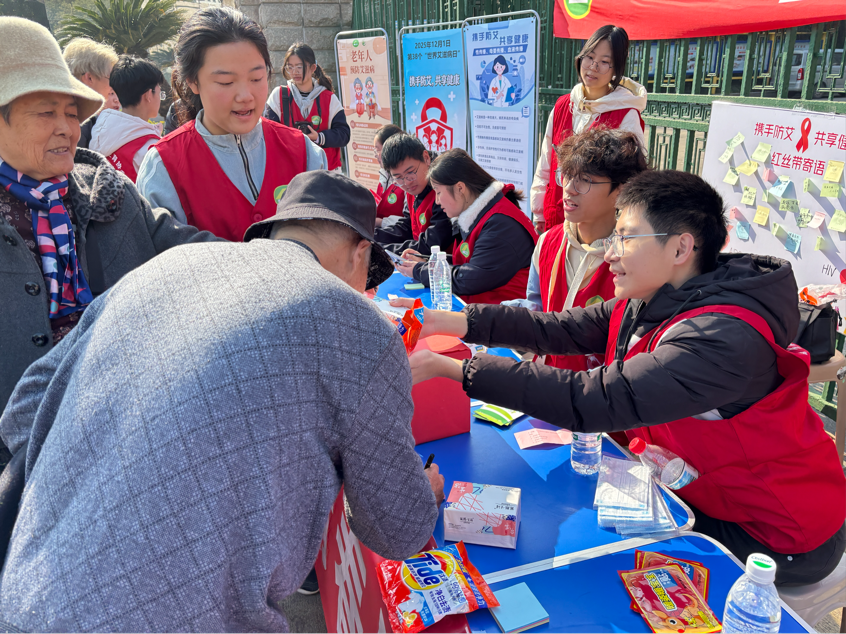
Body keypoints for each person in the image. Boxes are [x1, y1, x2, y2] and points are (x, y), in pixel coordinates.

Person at [0, 171, 445, 631]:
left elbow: (25, 406)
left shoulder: (165, 267)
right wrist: (421, 494)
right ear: (360, 252)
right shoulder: (356, 322)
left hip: (25, 595)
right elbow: (397, 530)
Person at [396, 169, 846, 586]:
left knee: (603, 570)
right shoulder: (653, 298)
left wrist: (452, 368)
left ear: (680, 249)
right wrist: (443, 321)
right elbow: (556, 328)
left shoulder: (719, 338)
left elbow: (591, 399)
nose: (609, 253)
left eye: (626, 238)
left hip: (777, 532)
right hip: (705, 492)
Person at [0, 17, 221, 445]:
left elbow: (187, 249)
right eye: (46, 112)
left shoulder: (108, 193)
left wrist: (281, 255)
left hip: (131, 430)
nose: (67, 128)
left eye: (71, 113)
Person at [137, 7, 326, 242]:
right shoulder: (163, 168)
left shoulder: (305, 153)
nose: (245, 96)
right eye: (226, 82)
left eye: (256, 78)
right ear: (193, 82)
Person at [503, 128, 648, 370]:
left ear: (621, 190)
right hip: (545, 378)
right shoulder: (548, 242)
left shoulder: (634, 257)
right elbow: (536, 308)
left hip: (599, 387)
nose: (569, 188)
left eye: (585, 180)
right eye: (567, 175)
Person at [531, 25, 646, 234]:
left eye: (605, 62)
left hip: (594, 228)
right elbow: (546, 161)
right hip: (556, 213)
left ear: (616, 69)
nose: (593, 67)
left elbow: (630, 180)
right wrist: (539, 210)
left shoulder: (625, 114)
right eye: (590, 57)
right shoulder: (563, 105)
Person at [395, 149, 537, 304]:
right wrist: (430, 262)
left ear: (460, 188)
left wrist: (420, 270)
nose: (437, 201)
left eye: (438, 192)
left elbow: (471, 279)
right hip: (483, 311)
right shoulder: (482, 215)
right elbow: (469, 262)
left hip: (505, 315)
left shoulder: (501, 225)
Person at [263, 42, 349, 172]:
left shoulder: (329, 98)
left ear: (313, 67)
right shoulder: (278, 96)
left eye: (299, 67)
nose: (294, 72)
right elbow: (267, 133)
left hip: (326, 173)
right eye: (290, 67)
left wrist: (319, 137)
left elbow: (344, 134)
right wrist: (293, 138)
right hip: (291, 171)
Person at [374, 133, 452, 256]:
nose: (407, 182)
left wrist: (380, 249)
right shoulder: (413, 188)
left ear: (426, 158)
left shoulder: (443, 190)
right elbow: (407, 227)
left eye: (410, 172)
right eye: (398, 178)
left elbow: (430, 245)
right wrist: (371, 236)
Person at [89, 55, 164, 181]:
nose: (160, 99)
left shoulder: (100, 128)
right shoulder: (150, 149)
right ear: (148, 95)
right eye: (160, 93)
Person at [62, 37, 120, 149]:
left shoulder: (71, 113)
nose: (113, 87)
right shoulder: (78, 121)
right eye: (111, 78)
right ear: (89, 78)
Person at [372, 123, 406, 226]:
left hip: (397, 234)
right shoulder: (384, 173)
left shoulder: (407, 180)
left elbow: (409, 222)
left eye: (378, 150)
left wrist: (380, 222)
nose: (375, 155)